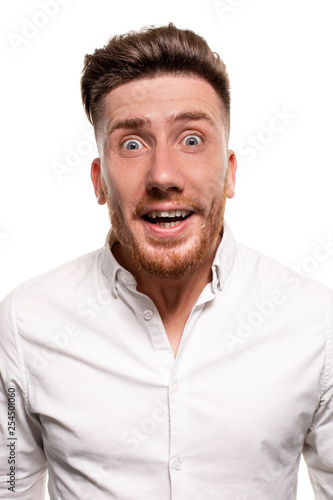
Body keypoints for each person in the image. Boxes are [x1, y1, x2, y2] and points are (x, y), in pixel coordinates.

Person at [0, 23, 332, 500]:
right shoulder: (24, 322)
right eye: (132, 143)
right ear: (98, 180)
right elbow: (10, 484)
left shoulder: (315, 322)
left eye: (191, 139)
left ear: (230, 171)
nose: (162, 175)